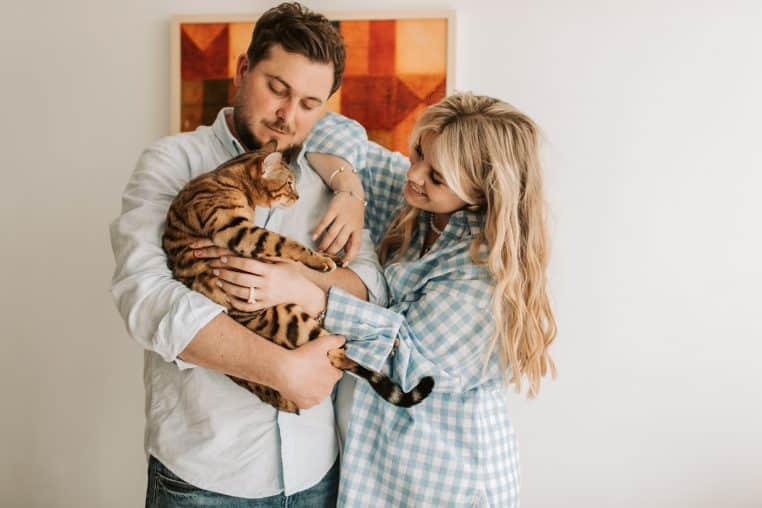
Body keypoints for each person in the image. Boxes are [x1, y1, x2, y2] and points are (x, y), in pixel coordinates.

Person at [207, 92, 558, 506]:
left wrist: (308, 291)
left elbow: (405, 363)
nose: (416, 174)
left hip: (445, 480)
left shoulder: (483, 275)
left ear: (479, 193)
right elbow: (326, 125)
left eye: (437, 177)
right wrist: (350, 191)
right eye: (419, 153)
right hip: (376, 468)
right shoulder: (415, 202)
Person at [109, 3, 385, 506]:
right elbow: (145, 298)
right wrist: (281, 371)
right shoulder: (173, 162)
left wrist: (302, 285)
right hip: (203, 478)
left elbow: (371, 289)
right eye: (277, 89)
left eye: (309, 103)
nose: (288, 116)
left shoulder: (330, 179)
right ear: (243, 70)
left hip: (318, 473)